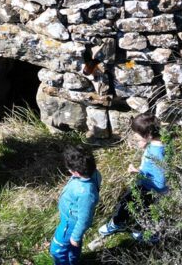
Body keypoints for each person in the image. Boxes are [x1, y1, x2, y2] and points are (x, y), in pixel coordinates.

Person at [97, 113, 167, 243]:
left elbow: (161, 181)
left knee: (136, 208)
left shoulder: (157, 153)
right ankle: (129, 226)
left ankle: (146, 233)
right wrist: (146, 144)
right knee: (135, 207)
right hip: (146, 184)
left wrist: (137, 172)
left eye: (137, 134)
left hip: (150, 189)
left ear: (148, 135)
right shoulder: (158, 143)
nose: (135, 136)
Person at [50, 145, 101, 265]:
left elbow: (85, 217)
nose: (69, 172)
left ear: (77, 173)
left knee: (57, 250)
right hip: (71, 219)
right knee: (73, 246)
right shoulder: (94, 173)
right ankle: (74, 261)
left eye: (70, 170)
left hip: (70, 223)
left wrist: (76, 236)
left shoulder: (85, 193)